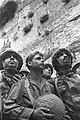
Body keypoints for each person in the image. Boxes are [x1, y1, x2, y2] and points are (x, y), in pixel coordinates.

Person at [3, 51, 58, 120]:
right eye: (38, 58)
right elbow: (8, 108)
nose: (42, 60)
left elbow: (57, 105)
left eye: (42, 59)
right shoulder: (20, 84)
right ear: (29, 63)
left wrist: (61, 114)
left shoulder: (50, 86)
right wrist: (32, 113)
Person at [52, 48, 80, 120]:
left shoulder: (78, 77)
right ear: (56, 62)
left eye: (67, 55)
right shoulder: (55, 83)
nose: (65, 56)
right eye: (60, 55)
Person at [0, 48, 23, 120]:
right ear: (2, 63)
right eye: (8, 57)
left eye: (15, 58)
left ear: (18, 64)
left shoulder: (23, 82)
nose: (12, 58)